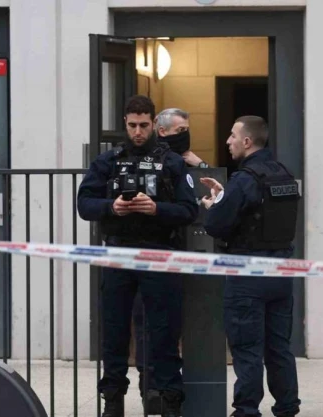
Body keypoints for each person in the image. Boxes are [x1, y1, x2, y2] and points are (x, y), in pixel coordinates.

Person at [77, 95, 198, 417]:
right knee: (114, 330)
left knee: (164, 331)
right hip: (118, 251)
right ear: (125, 124)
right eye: (132, 125)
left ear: (154, 123)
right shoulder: (108, 161)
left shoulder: (171, 162)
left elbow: (189, 210)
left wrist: (156, 209)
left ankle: (169, 400)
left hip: (159, 251)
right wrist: (112, 207)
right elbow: (84, 205)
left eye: (144, 125)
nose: (138, 132)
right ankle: (112, 400)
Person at [200, 115, 302, 417]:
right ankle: (287, 408)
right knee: (279, 348)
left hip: (247, 276)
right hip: (281, 273)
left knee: (247, 350)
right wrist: (226, 197)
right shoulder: (283, 174)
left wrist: (213, 205)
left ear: (247, 141)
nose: (228, 141)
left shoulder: (244, 179)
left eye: (233, 136)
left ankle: (246, 411)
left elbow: (217, 225)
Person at [130, 106, 210, 411]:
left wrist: (200, 165)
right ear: (161, 131)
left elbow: (206, 195)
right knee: (147, 326)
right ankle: (151, 389)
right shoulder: (149, 161)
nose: (185, 135)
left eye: (187, 129)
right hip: (150, 252)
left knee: (170, 327)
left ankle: (168, 393)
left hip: (178, 255)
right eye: (180, 130)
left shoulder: (185, 164)